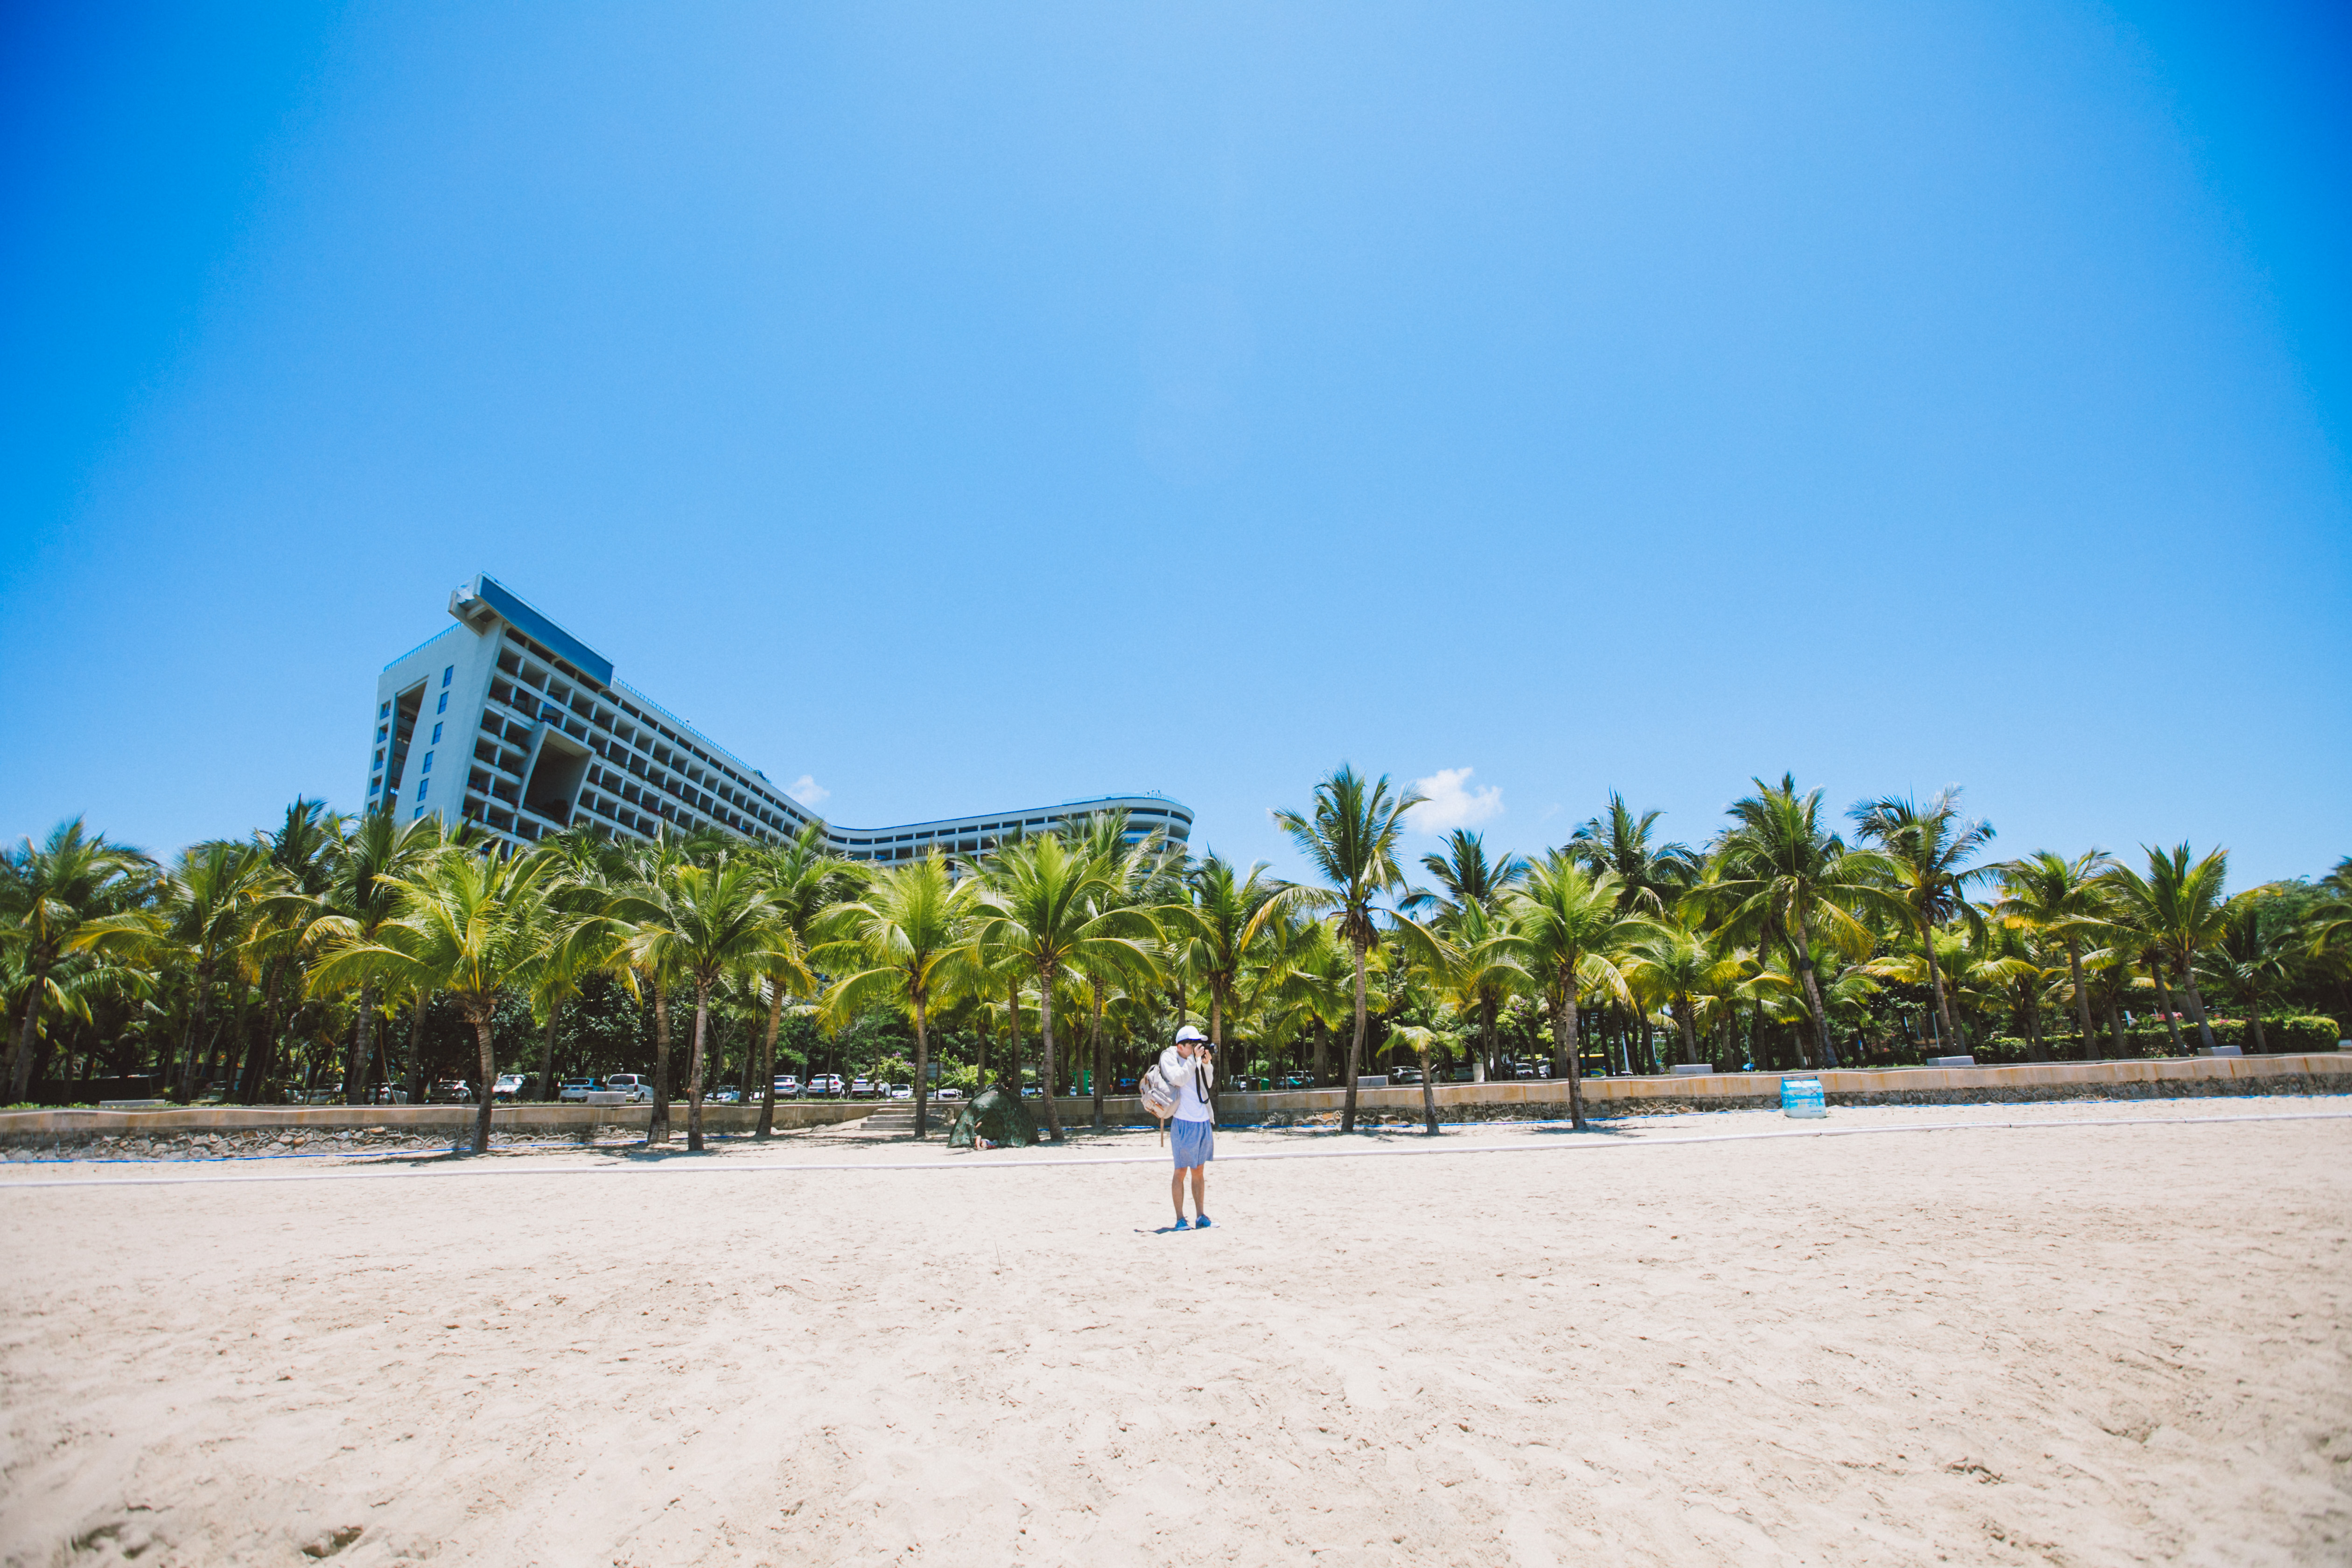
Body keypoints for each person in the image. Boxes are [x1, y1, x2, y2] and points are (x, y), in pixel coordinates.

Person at [1165, 1024, 1216, 1229]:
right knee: (1180, 1171)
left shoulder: (1194, 1061)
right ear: (1180, 1046)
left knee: (1199, 1171)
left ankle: (1201, 1217)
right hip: (1184, 1122)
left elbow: (1209, 1085)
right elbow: (1178, 1079)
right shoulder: (1171, 1059)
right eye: (1193, 1044)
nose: (1197, 1047)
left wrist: (1207, 1065)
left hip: (1203, 1120)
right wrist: (1194, 1061)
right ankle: (1180, 1219)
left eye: (1198, 1044)